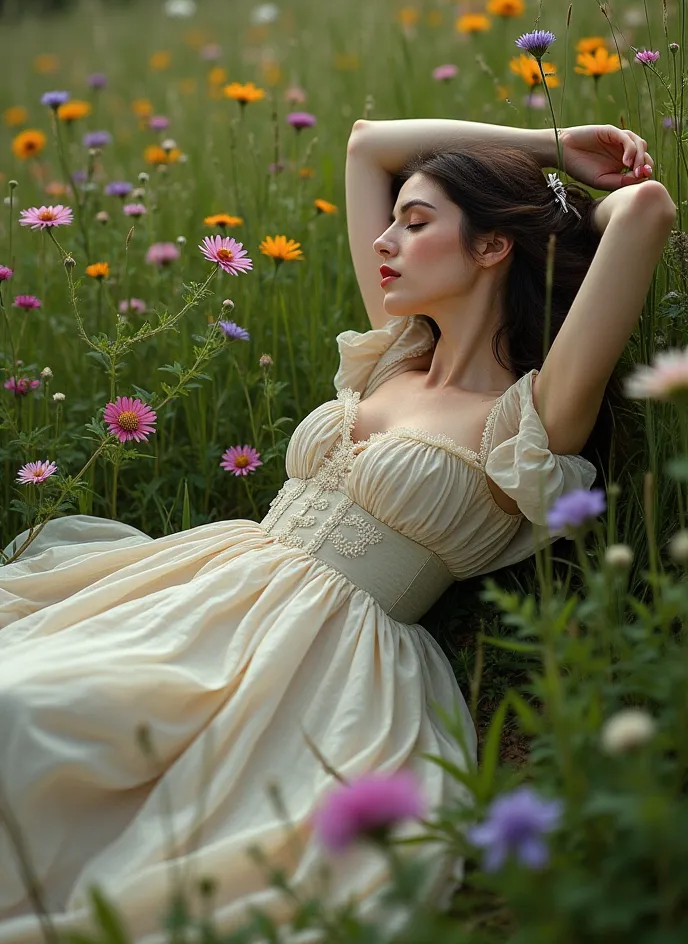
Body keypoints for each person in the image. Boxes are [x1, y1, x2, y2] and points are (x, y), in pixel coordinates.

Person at [0, 118, 675, 942]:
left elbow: (643, 209)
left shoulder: (529, 418)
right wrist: (551, 145)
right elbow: (366, 145)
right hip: (207, 589)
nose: (387, 239)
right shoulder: (393, 355)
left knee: (51, 730)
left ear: (494, 247)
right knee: (24, 696)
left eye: (418, 223)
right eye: (394, 220)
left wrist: (560, 202)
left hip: (325, 658)